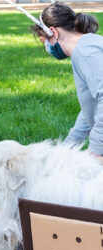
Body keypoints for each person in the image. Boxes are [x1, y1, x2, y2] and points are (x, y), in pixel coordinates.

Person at [33, 2, 103, 156]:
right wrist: (66, 149)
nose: (48, 46)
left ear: (53, 32)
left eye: (46, 40)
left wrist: (96, 151)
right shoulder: (87, 45)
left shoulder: (85, 53)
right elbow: (90, 107)